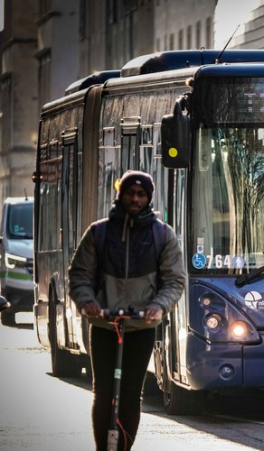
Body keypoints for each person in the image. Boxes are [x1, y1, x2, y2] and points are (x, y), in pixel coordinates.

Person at [69, 170, 187, 451]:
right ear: (120, 194)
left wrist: (159, 307)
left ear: (148, 198)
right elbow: (79, 275)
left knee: (132, 395)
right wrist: (88, 302)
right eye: (130, 193)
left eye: (141, 194)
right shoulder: (99, 232)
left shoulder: (162, 235)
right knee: (104, 393)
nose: (135, 198)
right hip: (104, 325)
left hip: (140, 328)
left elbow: (174, 280)